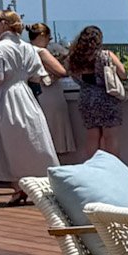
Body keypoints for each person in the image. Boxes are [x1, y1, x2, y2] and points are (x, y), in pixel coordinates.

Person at [0, 10, 64, 196]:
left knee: (6, 142)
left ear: (4, 24)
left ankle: (18, 184)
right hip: (25, 94)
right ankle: (28, 184)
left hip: (3, 96)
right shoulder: (28, 48)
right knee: (29, 138)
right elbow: (37, 77)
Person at [64, 25, 127, 159]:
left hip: (85, 98)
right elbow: (123, 73)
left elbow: (69, 73)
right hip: (106, 97)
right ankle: (113, 166)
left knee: (92, 135)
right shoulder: (105, 55)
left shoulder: (73, 58)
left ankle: (92, 166)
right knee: (110, 136)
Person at [26, 23, 79, 157]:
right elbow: (62, 72)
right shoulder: (41, 51)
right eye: (49, 38)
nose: (49, 41)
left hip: (34, 92)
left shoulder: (25, 50)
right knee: (54, 131)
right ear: (42, 35)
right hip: (49, 93)